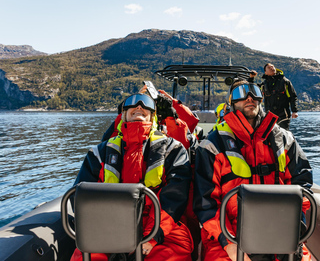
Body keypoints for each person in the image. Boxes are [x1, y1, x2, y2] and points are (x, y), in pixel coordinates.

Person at [193, 79, 313, 261]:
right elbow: (206, 203)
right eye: (240, 93)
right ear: (231, 103)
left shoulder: (285, 139)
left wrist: (295, 229)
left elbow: (302, 185)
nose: (249, 97)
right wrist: (229, 245)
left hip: (280, 230)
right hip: (229, 235)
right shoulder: (212, 145)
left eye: (254, 92)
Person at [71, 93, 194, 261]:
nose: (139, 107)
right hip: (108, 226)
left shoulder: (173, 150)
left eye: (146, 105)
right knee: (85, 255)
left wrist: (152, 236)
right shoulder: (100, 153)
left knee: (173, 252)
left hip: (160, 227)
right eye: (132, 104)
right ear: (123, 115)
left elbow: (175, 196)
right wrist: (108, 234)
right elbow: (80, 197)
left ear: (153, 115)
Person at [261, 63, 298, 130]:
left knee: (283, 133)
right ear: (265, 72)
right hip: (269, 115)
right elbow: (254, 92)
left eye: (272, 67)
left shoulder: (285, 81)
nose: (272, 68)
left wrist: (294, 111)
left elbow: (293, 97)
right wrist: (251, 78)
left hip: (283, 114)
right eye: (269, 68)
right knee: (270, 135)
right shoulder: (264, 84)